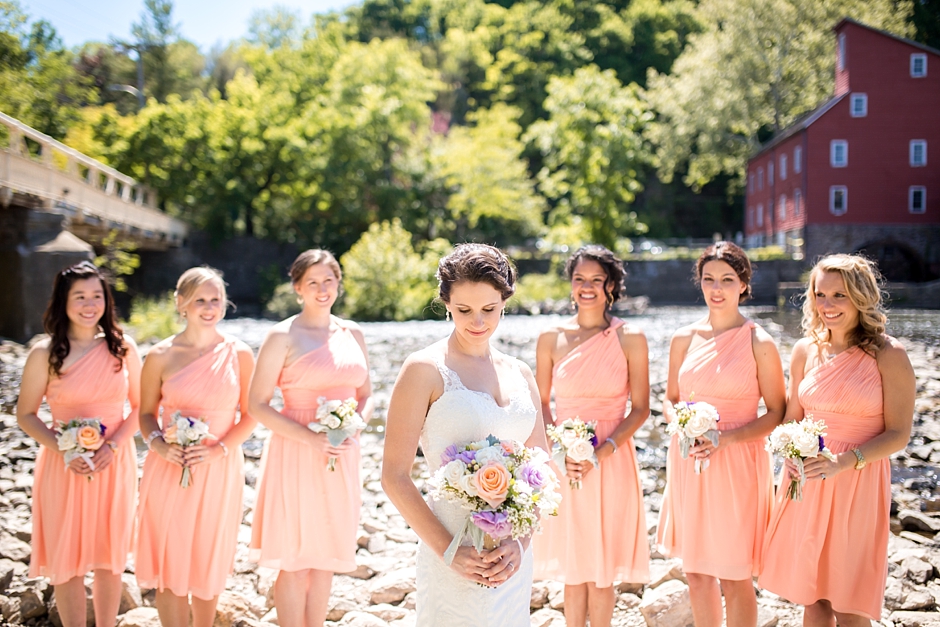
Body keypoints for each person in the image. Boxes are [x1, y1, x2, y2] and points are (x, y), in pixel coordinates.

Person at [381, 243, 549, 626]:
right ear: (446, 304)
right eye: (464, 310)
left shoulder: (521, 372)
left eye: (489, 309)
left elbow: (542, 468)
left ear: (505, 300)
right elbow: (394, 475)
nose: (478, 321)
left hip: (512, 559)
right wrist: (449, 551)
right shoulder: (423, 369)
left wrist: (520, 544)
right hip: (453, 552)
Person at [759, 254, 915, 626]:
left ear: (861, 298)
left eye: (839, 296)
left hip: (858, 482)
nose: (827, 305)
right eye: (820, 294)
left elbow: (899, 433)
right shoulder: (804, 351)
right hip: (808, 480)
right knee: (812, 599)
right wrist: (789, 455)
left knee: (850, 604)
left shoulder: (889, 355)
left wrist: (846, 461)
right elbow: (792, 420)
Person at [657, 242, 786, 627]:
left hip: (738, 462)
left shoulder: (758, 341)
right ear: (699, 283)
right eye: (709, 279)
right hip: (688, 459)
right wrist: (680, 421)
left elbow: (777, 412)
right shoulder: (683, 338)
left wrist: (724, 439)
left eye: (727, 280)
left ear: (744, 285)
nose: (717, 288)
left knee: (734, 572)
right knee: (696, 572)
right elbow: (669, 398)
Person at [249, 250, 374, 627]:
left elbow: (366, 395)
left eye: (329, 280)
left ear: (339, 283)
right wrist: (310, 437)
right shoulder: (282, 335)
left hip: (342, 450)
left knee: (326, 556)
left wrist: (355, 427)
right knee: (295, 558)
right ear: (298, 287)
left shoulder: (353, 332)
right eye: (313, 282)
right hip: (296, 449)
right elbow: (257, 405)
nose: (322, 289)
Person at [16, 261, 141, 627]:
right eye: (80, 296)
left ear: (107, 301)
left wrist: (112, 446)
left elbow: (141, 408)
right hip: (63, 465)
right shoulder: (45, 352)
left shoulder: (123, 347)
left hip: (114, 462)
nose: (90, 304)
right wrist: (65, 450)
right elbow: (26, 414)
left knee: (109, 557)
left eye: (97, 296)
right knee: (66, 559)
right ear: (63, 301)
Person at [532, 245, 650, 627]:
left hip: (612, 458)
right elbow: (541, 404)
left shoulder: (630, 337)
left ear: (610, 286)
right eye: (579, 279)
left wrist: (606, 450)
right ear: (570, 285)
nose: (587, 287)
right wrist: (559, 450)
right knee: (573, 559)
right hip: (564, 458)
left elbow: (642, 407)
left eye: (596, 280)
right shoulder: (550, 338)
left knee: (601, 564)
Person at [135, 267, 256, 627]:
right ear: (181, 303)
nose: (208, 307)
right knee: (170, 558)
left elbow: (250, 416)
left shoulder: (240, 354)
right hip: (169, 466)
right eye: (199, 299)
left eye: (215, 299)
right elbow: (144, 413)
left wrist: (218, 449)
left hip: (219, 468)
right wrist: (158, 445)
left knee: (208, 556)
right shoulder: (159, 355)